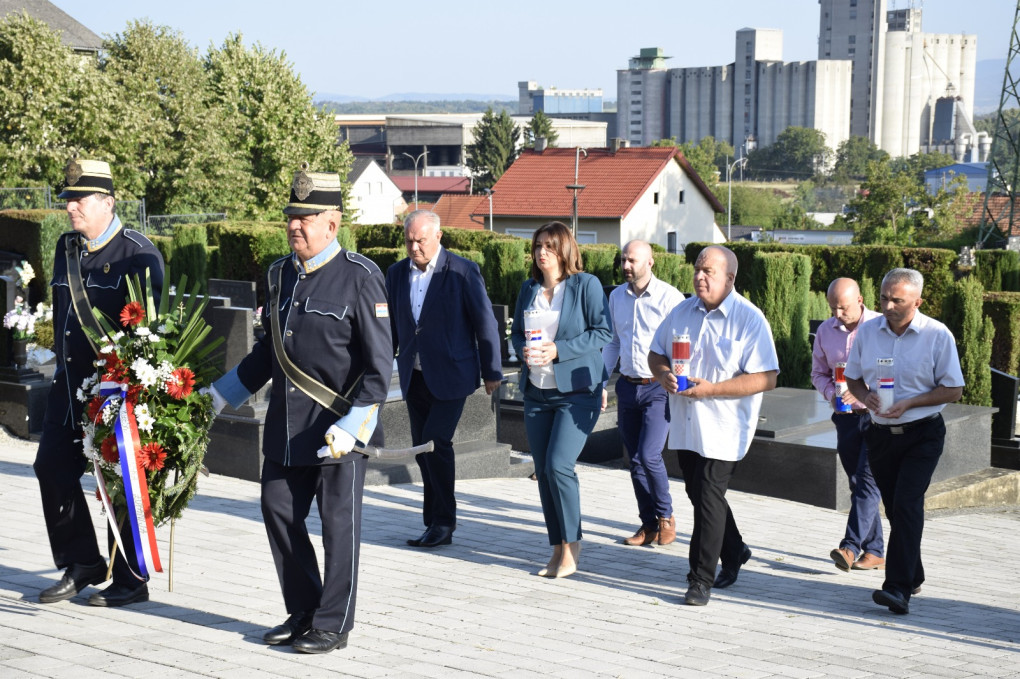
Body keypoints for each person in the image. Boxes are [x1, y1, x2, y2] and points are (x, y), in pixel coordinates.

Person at [207, 166, 392, 653]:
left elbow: (379, 366)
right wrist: (218, 395)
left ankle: (333, 624)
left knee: (337, 528)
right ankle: (304, 610)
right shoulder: (278, 274)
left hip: (338, 430)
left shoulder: (360, 277)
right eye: (292, 215)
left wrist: (355, 425)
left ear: (332, 223)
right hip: (288, 430)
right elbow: (269, 354)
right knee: (278, 511)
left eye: (306, 217)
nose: (295, 225)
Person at [34, 157, 164, 608]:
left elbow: (151, 333)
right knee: (49, 467)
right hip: (69, 388)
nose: (71, 207)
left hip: (115, 392)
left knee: (117, 477)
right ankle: (82, 561)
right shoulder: (66, 248)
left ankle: (131, 578)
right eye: (68, 198)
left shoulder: (137, 253)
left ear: (108, 202)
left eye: (81, 199)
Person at [648, 245, 779, 606]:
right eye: (697, 269)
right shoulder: (682, 311)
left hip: (724, 427)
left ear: (730, 278)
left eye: (709, 271)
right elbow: (656, 352)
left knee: (707, 496)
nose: (700, 276)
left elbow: (767, 377)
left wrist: (713, 390)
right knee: (701, 494)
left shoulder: (749, 319)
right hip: (687, 424)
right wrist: (662, 375)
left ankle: (699, 579)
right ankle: (734, 549)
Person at [844, 268, 964, 615]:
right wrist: (865, 397)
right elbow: (853, 378)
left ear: (917, 301)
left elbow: (953, 388)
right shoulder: (868, 332)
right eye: (883, 297)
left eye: (897, 299)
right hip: (880, 436)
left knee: (908, 504)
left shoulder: (937, 335)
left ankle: (896, 589)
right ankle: (913, 573)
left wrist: (910, 402)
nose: (888, 305)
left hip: (922, 434)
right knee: (898, 509)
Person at [385, 210, 503, 548]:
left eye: (420, 240)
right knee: (423, 449)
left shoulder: (463, 271)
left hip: (453, 373)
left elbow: (485, 323)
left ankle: (444, 522)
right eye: (409, 240)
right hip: (414, 375)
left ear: (438, 236)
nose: (414, 246)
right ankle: (433, 521)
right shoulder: (395, 274)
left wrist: (492, 370)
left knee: (436, 441)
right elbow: (392, 327)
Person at [510, 221, 611, 578]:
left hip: (577, 392)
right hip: (536, 392)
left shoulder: (586, 285)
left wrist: (559, 349)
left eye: (550, 247)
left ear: (564, 250)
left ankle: (573, 547)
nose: (542, 253)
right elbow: (517, 334)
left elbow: (603, 331)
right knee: (544, 472)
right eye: (538, 246)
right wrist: (521, 350)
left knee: (558, 466)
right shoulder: (529, 289)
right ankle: (556, 549)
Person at [602, 240, 684, 546]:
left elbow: (682, 343)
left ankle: (667, 517)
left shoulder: (669, 298)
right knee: (634, 459)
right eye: (623, 259)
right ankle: (648, 524)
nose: (626, 266)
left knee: (650, 455)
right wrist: (601, 383)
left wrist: (679, 379)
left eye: (632, 260)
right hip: (627, 386)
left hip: (657, 388)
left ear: (650, 262)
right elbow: (612, 342)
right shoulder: (616, 297)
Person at [810, 278, 885, 572]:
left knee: (868, 481)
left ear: (861, 300)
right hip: (844, 417)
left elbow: (894, 371)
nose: (837, 314)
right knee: (859, 484)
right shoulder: (825, 332)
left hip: (878, 417)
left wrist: (865, 391)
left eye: (843, 307)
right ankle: (876, 550)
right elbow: (818, 373)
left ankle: (850, 548)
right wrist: (831, 395)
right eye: (833, 308)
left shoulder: (881, 327)